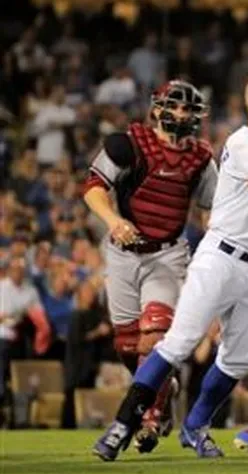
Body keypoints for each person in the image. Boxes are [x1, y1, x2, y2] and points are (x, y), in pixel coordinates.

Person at [92, 74, 248, 461]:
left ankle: (194, 428)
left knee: (238, 360)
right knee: (176, 342)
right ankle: (123, 424)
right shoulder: (244, 142)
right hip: (221, 257)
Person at [83, 80, 217, 453]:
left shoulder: (201, 158)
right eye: (177, 106)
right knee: (128, 346)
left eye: (190, 109)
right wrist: (113, 220)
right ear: (158, 108)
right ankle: (162, 390)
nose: (183, 115)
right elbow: (93, 186)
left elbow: (214, 207)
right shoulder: (129, 143)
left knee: (155, 333)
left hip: (168, 253)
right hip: (123, 252)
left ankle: (151, 417)